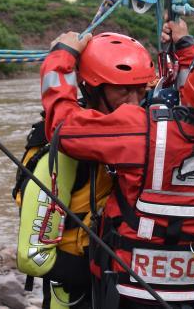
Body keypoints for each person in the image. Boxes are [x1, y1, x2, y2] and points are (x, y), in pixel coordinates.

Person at [40, 31, 194, 308]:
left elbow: (62, 128)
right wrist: (186, 46)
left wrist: (60, 57)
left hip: (135, 295)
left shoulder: (140, 130)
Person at [16, 32, 157, 308]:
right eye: (123, 90)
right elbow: (32, 256)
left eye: (141, 90)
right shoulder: (63, 155)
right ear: (91, 88)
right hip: (75, 296)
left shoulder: (141, 136)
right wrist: (105, 272)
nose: (135, 101)